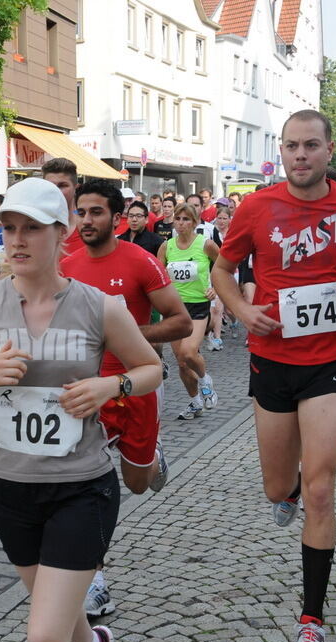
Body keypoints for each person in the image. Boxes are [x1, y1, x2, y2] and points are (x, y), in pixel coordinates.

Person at [0, 176, 162, 642]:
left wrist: (108, 386)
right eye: (8, 227)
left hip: (81, 486)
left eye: (31, 228)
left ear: (61, 233)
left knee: (42, 639)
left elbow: (151, 369)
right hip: (10, 488)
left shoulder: (99, 306)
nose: (16, 239)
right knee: (53, 606)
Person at [211, 109, 336, 642]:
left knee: (321, 488)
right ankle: (285, 491)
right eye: (291, 146)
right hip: (272, 358)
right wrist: (243, 311)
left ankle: (311, 623)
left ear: (329, 149)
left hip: (331, 360)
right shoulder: (256, 207)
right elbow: (223, 271)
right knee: (280, 488)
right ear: (282, 150)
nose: (300, 155)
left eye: (310, 146)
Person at [60, 178, 191, 618]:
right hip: (87, 390)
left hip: (135, 386)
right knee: (86, 485)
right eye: (82, 212)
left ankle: (151, 455)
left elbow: (181, 323)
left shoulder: (139, 262)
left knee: (137, 483)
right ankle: (96, 579)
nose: (87, 220)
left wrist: (130, 336)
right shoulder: (69, 267)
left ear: (117, 218)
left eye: (96, 212)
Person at [157, 203, 221, 419]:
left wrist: (215, 289)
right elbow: (156, 277)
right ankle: (195, 402)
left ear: (195, 222)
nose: (181, 223)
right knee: (182, 362)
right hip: (174, 307)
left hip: (198, 305)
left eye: (186, 219)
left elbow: (224, 268)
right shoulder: (167, 246)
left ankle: (205, 380)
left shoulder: (206, 244)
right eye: (178, 219)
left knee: (189, 352)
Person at [41, 158, 84, 255]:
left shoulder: (89, 227)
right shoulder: (34, 228)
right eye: (50, 186)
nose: (56, 191)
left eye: (62, 185)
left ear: (75, 188)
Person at [207, 206, 233, 350]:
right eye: (219, 218)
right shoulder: (212, 231)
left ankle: (234, 323)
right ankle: (217, 338)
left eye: (225, 218)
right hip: (215, 271)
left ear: (230, 219)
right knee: (216, 307)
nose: (221, 221)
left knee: (229, 310)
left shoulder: (234, 232)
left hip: (232, 271)